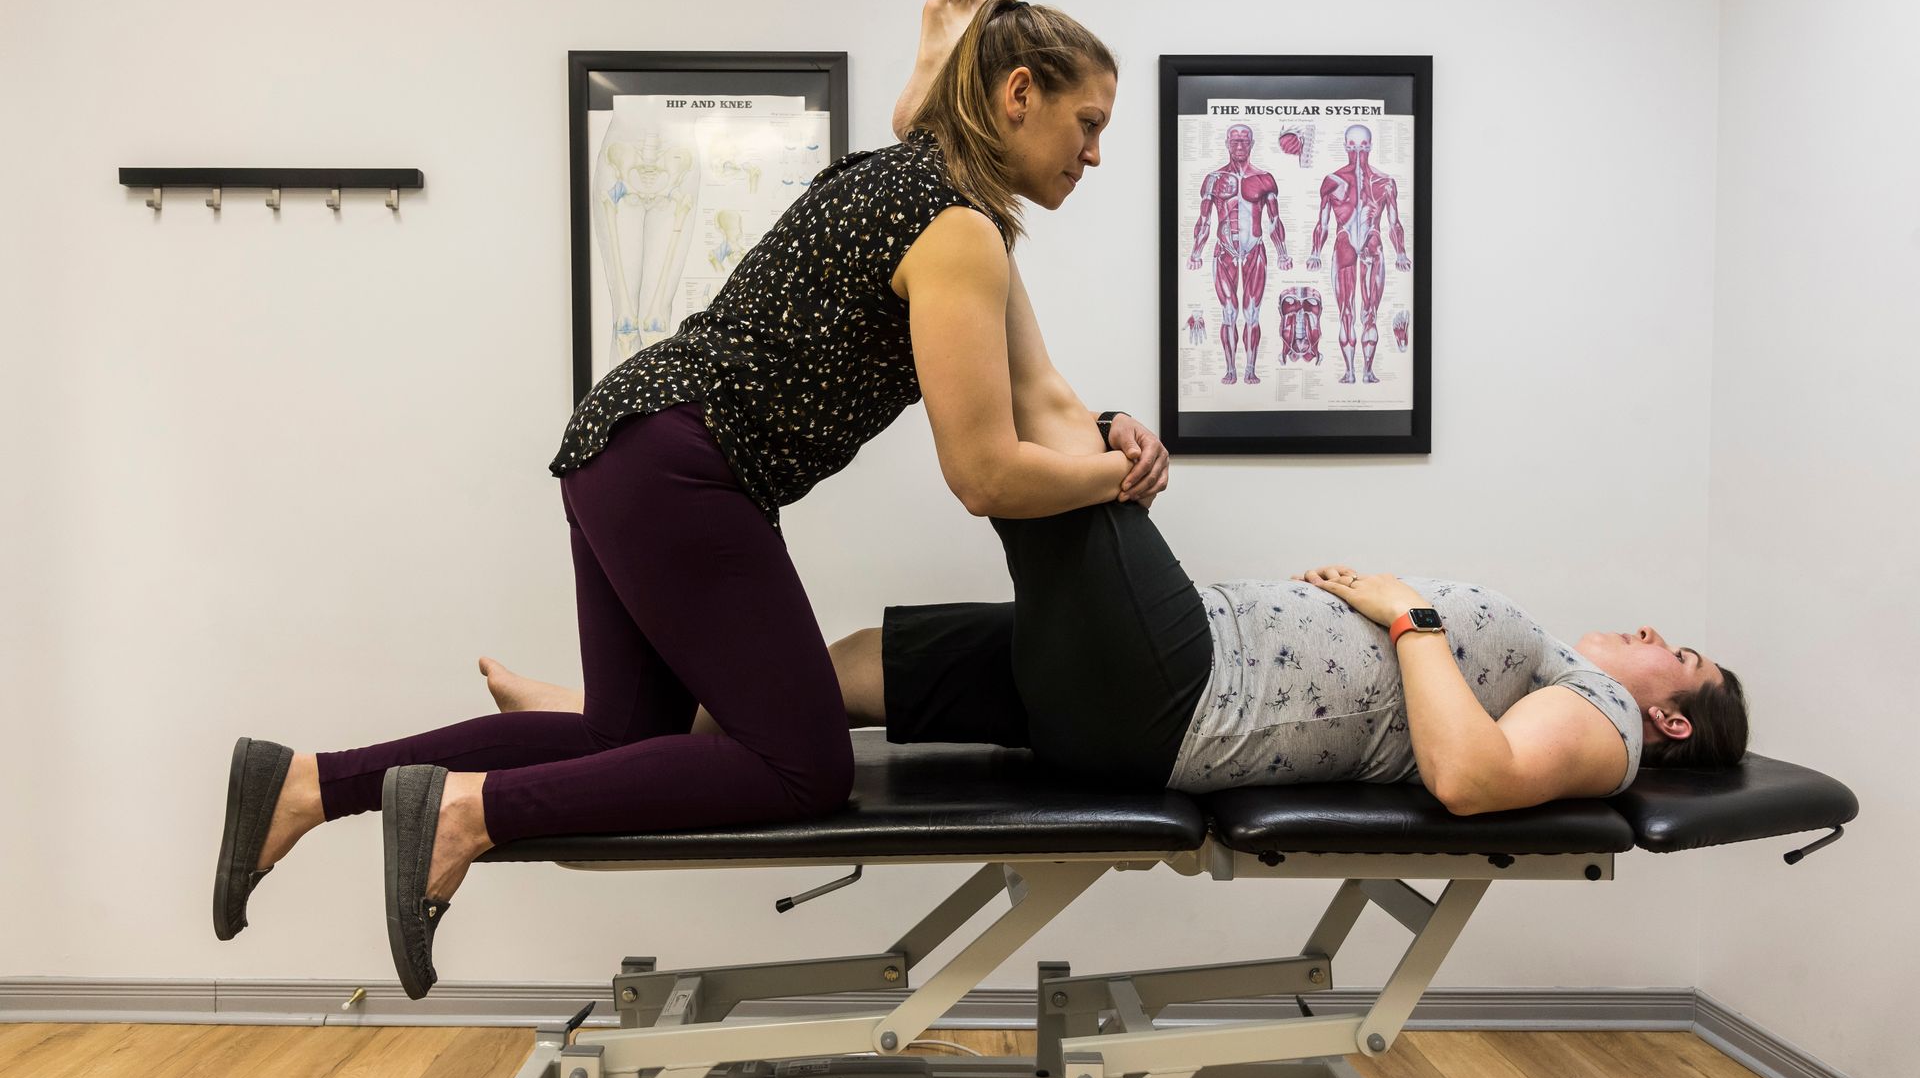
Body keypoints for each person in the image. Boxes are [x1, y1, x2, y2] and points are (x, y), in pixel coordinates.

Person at [212, 0, 1174, 999]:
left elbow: (929, 143)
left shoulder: (906, 177)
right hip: (681, 466)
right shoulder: (957, 231)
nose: (1095, 153)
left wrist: (1104, 433)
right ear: (1018, 95)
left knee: (622, 739)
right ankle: (466, 814)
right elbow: (983, 474)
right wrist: (1114, 484)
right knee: (805, 768)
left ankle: (309, 783)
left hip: (627, 446)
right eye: (1088, 121)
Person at [489, 438, 1751, 812]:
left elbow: (1471, 779)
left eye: (1673, 650)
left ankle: (954, 247)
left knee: (1071, 452)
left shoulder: (1600, 722)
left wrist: (1407, 615)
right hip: (1170, 660)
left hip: (1190, 702)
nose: (1649, 633)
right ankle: (606, 721)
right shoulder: (1563, 672)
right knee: (859, 675)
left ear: (1671, 712)